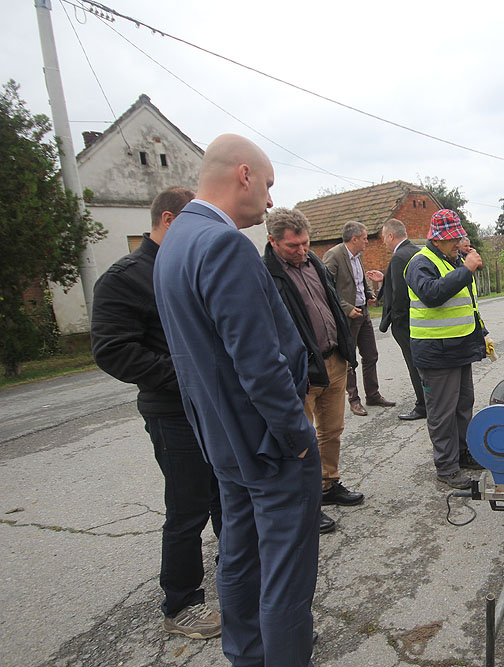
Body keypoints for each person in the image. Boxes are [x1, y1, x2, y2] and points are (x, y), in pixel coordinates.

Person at [153, 134, 320, 665]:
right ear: (243, 175)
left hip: (224, 443)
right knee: (286, 580)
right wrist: (297, 438)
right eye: (268, 185)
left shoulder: (174, 241)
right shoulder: (223, 244)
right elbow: (258, 361)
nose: (270, 201)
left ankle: (245, 653)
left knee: (241, 558)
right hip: (267, 445)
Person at [91, 186, 222, 640]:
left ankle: (240, 573)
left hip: (214, 405)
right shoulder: (126, 276)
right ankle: (181, 603)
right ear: (168, 219)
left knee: (227, 495)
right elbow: (112, 351)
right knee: (188, 509)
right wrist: (187, 374)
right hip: (173, 412)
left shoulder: (188, 265)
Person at [263, 208, 364, 536]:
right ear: (272, 242)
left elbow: (332, 304)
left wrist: (346, 351)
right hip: (300, 370)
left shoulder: (315, 263)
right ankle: (306, 504)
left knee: (331, 430)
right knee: (300, 441)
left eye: (305, 243)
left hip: (333, 362)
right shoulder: (265, 274)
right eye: (293, 246)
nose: (301, 250)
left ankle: (327, 484)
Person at [404, 209, 487, 489]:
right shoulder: (420, 263)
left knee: (463, 406)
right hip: (436, 353)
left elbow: (465, 303)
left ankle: (463, 454)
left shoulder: (452, 260)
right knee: (442, 413)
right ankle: (446, 467)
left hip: (459, 346)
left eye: (459, 237)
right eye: (452, 239)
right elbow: (432, 295)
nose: (457, 243)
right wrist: (467, 269)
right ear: (436, 240)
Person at [322, 221, 395, 416]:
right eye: (364, 239)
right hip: (347, 316)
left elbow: (360, 279)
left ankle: (373, 395)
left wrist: (369, 293)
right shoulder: (334, 255)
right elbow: (326, 288)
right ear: (354, 239)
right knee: (349, 359)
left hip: (363, 313)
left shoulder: (357, 256)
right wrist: (346, 309)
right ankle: (354, 399)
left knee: (371, 354)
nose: (367, 242)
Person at [378, 218, 426, 420]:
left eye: (383, 238)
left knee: (413, 363)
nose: (383, 243)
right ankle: (429, 402)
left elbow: (399, 294)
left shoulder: (398, 257)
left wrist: (396, 320)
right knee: (422, 363)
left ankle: (422, 405)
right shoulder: (416, 251)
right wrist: (384, 279)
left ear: (391, 235)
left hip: (405, 322)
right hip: (419, 318)